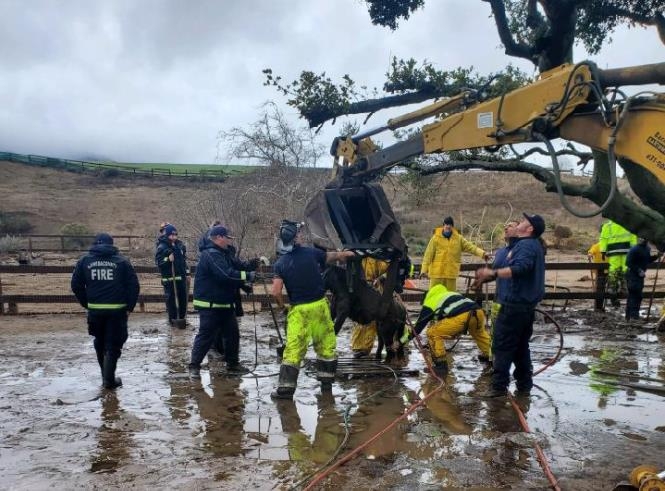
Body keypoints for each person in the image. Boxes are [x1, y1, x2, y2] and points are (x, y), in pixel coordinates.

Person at [270, 220, 355, 399]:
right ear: (297, 237)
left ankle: (285, 390)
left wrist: (282, 307)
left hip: (299, 311)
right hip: (319, 307)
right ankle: (326, 386)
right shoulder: (312, 253)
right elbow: (334, 256)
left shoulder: (280, 264)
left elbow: (276, 291)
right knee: (325, 345)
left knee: (293, 350)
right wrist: (347, 253)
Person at [474, 213, 546, 398]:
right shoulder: (526, 246)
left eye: (523, 221)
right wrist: (490, 274)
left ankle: (499, 386)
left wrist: (495, 273)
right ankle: (524, 384)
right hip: (520, 305)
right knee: (520, 346)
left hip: (514, 305)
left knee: (502, 345)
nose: (519, 223)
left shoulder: (527, 246)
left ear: (529, 229)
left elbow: (520, 269)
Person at [71, 233, 140, 389]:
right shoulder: (122, 261)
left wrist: (87, 303)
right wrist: (129, 307)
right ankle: (108, 380)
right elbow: (133, 286)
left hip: (96, 311)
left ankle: (106, 376)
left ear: (95, 244)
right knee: (113, 345)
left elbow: (76, 285)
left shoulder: (84, 261)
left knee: (100, 342)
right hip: (117, 311)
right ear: (112, 244)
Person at [188, 225, 258, 377]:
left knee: (232, 334)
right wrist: (247, 276)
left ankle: (233, 364)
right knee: (206, 335)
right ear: (219, 237)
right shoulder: (210, 254)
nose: (229, 241)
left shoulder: (224, 254)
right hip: (210, 304)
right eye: (227, 238)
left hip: (225, 303)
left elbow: (234, 270)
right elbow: (224, 275)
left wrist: (244, 281)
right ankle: (194, 366)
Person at [400, 284, 491, 376]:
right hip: (478, 312)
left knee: (432, 332)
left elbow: (417, 329)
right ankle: (493, 358)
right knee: (480, 334)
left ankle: (441, 365)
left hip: (463, 316)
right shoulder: (449, 294)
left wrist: (402, 341)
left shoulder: (429, 303)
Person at [421, 216, 489, 291]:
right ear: (443, 225)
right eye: (446, 224)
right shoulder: (435, 238)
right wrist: (424, 270)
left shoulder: (459, 239)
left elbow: (471, 247)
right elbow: (428, 255)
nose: (448, 226)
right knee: (434, 297)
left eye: (450, 224)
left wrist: (482, 254)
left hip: (451, 275)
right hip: (437, 275)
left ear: (452, 226)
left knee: (450, 297)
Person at [349, 256, 389, 358]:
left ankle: (365, 348)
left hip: (375, 289)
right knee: (358, 319)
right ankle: (358, 348)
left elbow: (390, 271)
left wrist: (380, 278)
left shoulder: (382, 255)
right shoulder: (358, 256)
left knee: (372, 320)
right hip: (361, 288)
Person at [155, 224, 189, 326]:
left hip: (180, 279)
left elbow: (183, 261)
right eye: (171, 235)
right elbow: (159, 263)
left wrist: (187, 273)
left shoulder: (179, 246)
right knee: (172, 302)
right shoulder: (162, 247)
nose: (174, 237)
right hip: (170, 279)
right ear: (167, 235)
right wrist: (168, 260)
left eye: (175, 235)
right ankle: (173, 320)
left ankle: (182, 318)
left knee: (183, 300)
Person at [599, 220, 637, 308]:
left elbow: (603, 238)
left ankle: (613, 288)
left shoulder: (607, 225)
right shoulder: (628, 223)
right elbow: (633, 237)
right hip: (626, 249)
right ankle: (625, 287)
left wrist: (603, 251)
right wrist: (633, 249)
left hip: (613, 250)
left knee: (614, 269)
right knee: (626, 268)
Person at [625, 239, 660, 321]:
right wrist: (638, 270)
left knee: (638, 296)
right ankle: (632, 316)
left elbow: (647, 260)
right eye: (641, 238)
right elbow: (628, 263)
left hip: (640, 276)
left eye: (644, 238)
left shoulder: (647, 249)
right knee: (634, 294)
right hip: (632, 275)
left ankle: (631, 316)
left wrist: (656, 256)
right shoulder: (634, 249)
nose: (642, 240)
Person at [587, 240, 607, 311]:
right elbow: (591, 251)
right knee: (600, 288)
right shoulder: (597, 246)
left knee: (606, 289)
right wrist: (590, 254)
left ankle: (602, 306)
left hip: (609, 271)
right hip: (599, 272)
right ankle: (598, 307)